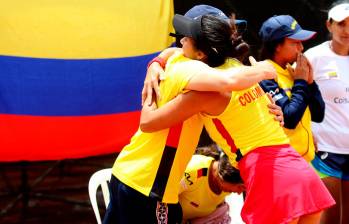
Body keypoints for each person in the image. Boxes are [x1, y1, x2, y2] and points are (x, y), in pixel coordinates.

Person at [140, 12, 335, 224]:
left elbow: (148, 123)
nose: (181, 41)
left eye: (186, 38)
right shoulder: (241, 68)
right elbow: (176, 51)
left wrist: (150, 86)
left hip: (268, 172)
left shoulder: (207, 91)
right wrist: (156, 63)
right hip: (297, 166)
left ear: (200, 54)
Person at [103, 10, 276, 224]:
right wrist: (264, 70)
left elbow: (173, 55)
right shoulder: (191, 68)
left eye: (187, 36)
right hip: (147, 183)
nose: (181, 40)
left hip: (133, 175)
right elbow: (227, 81)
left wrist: (271, 108)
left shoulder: (180, 60)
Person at [258, 15, 325, 162]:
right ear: (277, 46)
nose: (301, 48)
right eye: (295, 42)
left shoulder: (291, 71)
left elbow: (318, 115)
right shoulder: (264, 74)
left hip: (305, 160)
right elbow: (289, 119)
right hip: (283, 163)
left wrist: (310, 83)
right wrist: (301, 82)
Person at [304, 2, 349, 223]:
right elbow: (299, 95)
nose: (347, 30)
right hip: (325, 148)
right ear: (328, 25)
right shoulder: (313, 57)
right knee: (329, 216)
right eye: (341, 24)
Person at [179, 145, 245, 224]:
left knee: (221, 211)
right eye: (240, 187)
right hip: (169, 214)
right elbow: (163, 196)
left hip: (197, 219)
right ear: (225, 174)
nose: (239, 192)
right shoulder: (194, 171)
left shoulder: (225, 188)